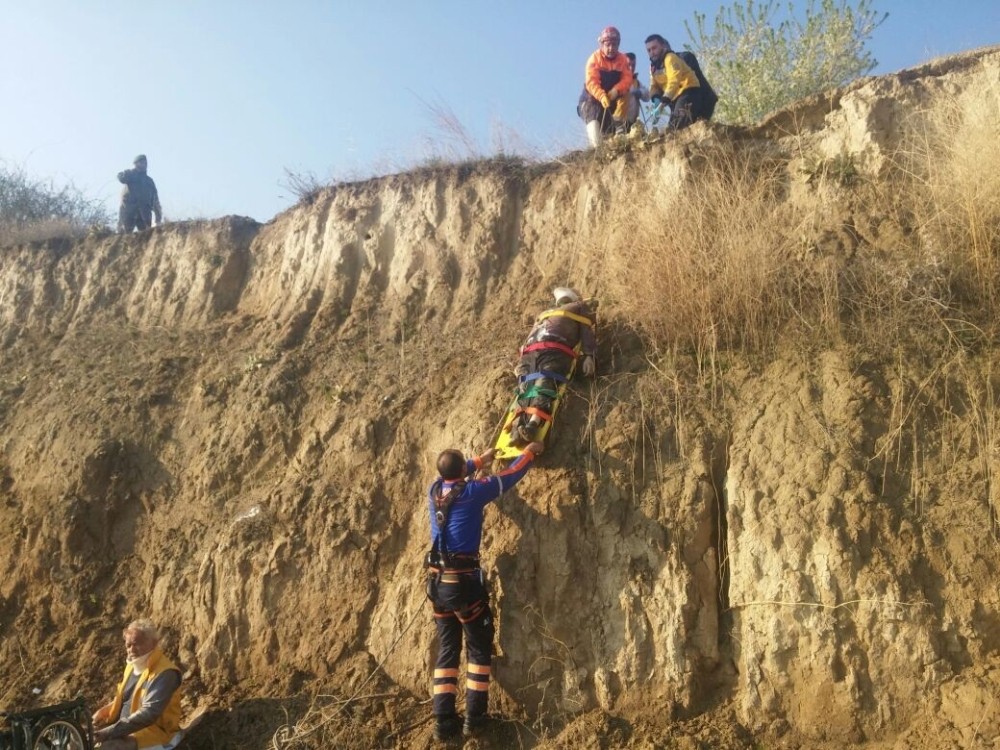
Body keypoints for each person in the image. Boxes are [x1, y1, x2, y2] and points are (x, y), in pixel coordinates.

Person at [425, 441, 544, 741]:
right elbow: (511, 475)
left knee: (449, 649)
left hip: (438, 585)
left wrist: (480, 460)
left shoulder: (435, 492)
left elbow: (456, 471)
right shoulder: (472, 492)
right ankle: (475, 720)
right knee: (478, 647)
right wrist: (530, 452)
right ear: (460, 471)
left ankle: (443, 722)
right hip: (463, 585)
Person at [509, 287, 597, 446]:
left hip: (535, 352)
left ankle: (525, 425)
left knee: (528, 386)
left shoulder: (548, 313)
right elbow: (586, 330)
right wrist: (589, 355)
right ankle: (526, 424)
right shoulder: (577, 307)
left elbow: (585, 328)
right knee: (540, 383)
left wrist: (589, 355)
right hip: (549, 351)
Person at [92, 619, 183, 750]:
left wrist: (108, 732)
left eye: (137, 644)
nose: (132, 650)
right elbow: (127, 698)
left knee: (108, 747)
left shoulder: (165, 673)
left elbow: (149, 714)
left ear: (154, 643)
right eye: (128, 645)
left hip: (154, 732)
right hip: (122, 728)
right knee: (76, 737)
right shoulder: (132, 666)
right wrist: (102, 713)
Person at [577, 26, 634, 147]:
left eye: (614, 45)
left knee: (628, 96)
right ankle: (596, 150)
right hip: (590, 100)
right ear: (602, 44)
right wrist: (601, 96)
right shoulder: (595, 59)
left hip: (611, 101)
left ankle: (621, 130)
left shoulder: (623, 60)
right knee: (594, 121)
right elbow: (591, 82)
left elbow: (627, 79)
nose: (611, 48)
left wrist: (616, 90)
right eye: (608, 45)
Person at [644, 34, 715, 131]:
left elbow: (674, 80)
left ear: (663, 47)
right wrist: (656, 99)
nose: (652, 52)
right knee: (672, 129)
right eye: (649, 50)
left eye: (654, 48)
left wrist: (664, 101)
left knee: (677, 127)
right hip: (676, 99)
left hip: (690, 94)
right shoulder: (654, 68)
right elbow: (654, 85)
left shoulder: (677, 58)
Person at [117, 155, 162, 233]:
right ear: (135, 164)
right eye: (141, 162)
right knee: (124, 234)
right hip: (129, 210)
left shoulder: (149, 182)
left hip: (144, 214)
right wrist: (125, 174)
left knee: (146, 237)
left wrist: (158, 217)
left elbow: (155, 200)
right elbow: (121, 178)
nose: (144, 164)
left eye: (145, 163)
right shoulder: (131, 174)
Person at [624, 52, 651, 132]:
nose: (631, 68)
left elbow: (647, 96)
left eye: (633, 65)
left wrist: (640, 92)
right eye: (629, 65)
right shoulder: (616, 80)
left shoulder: (636, 82)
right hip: (619, 123)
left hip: (633, 123)